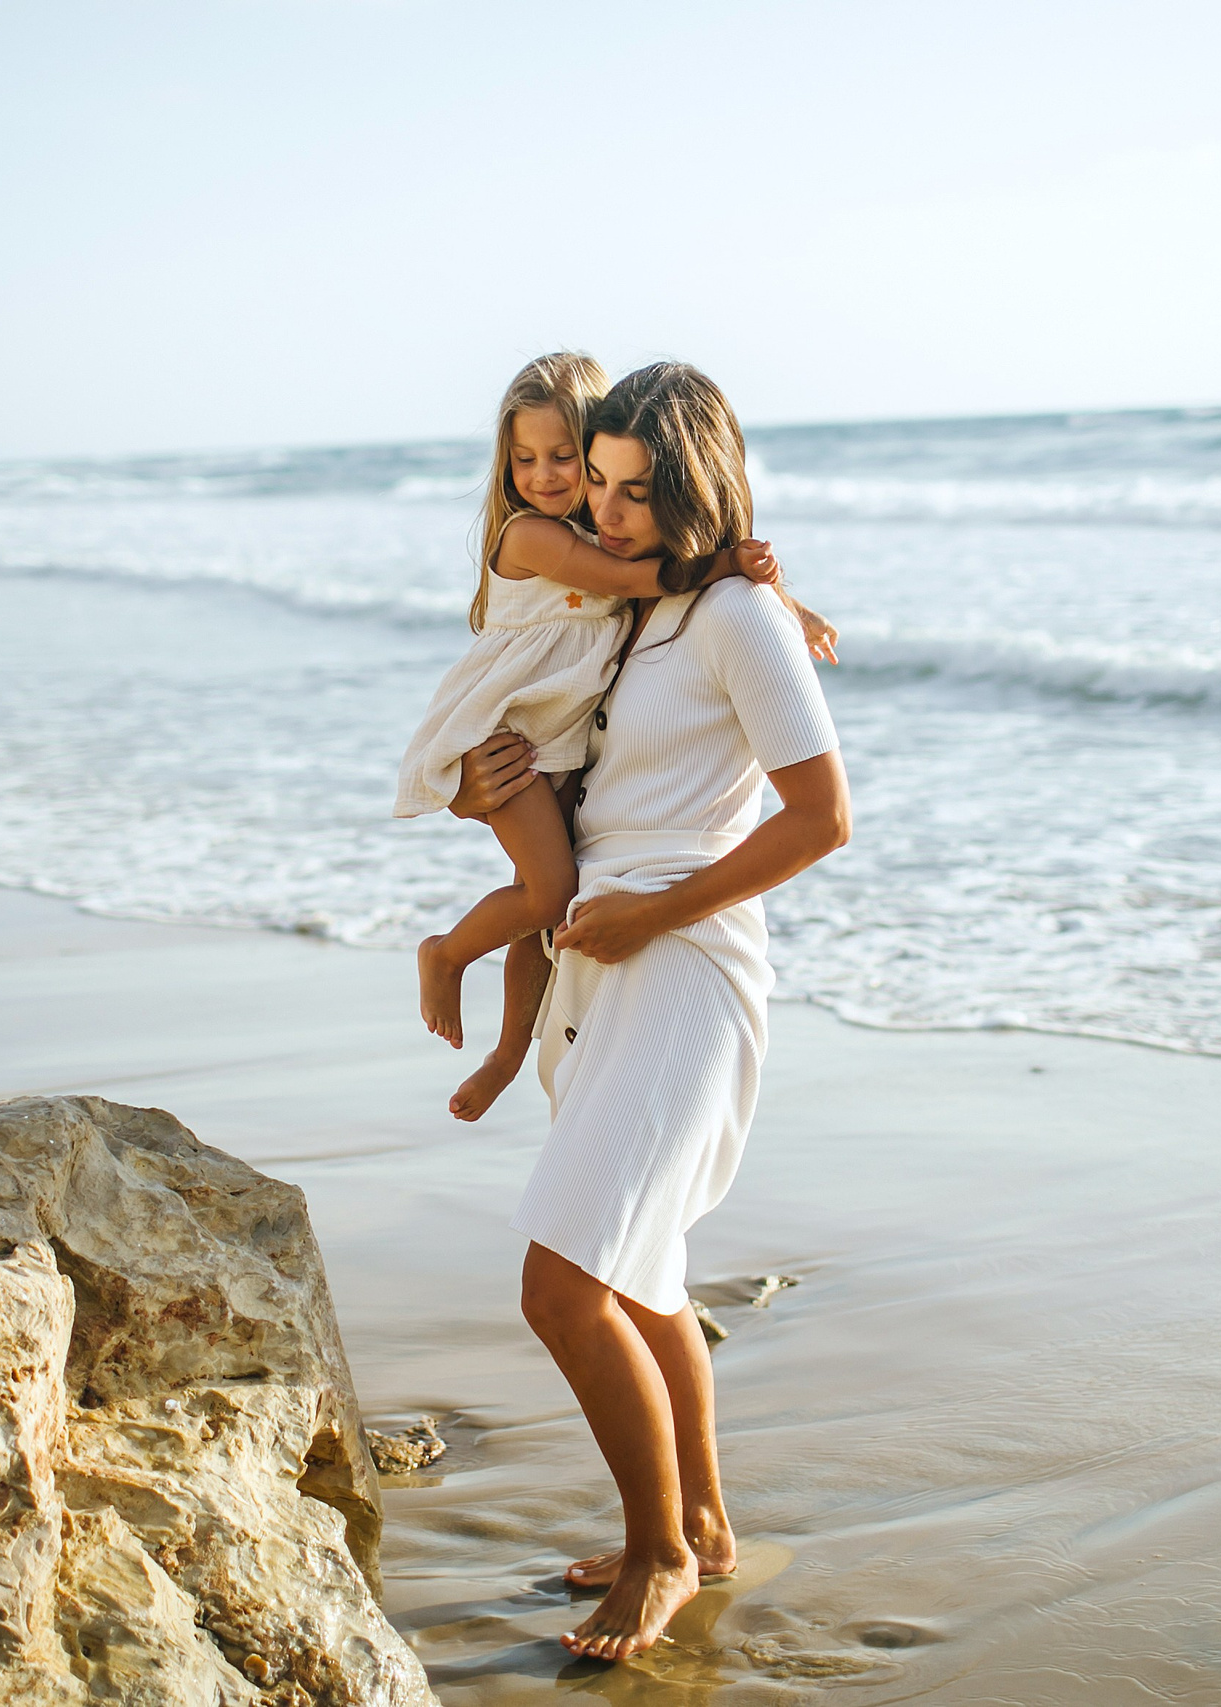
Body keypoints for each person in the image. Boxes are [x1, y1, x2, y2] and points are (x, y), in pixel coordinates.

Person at [447, 361, 851, 1661]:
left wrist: (651, 915)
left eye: (635, 490)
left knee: (564, 1283)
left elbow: (821, 818)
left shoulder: (739, 616)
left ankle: (661, 1551)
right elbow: (573, 790)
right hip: (600, 965)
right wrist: (482, 788)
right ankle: (705, 1521)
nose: (607, 514)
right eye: (599, 486)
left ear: (689, 480)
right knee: (647, 1274)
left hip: (683, 970)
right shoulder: (635, 612)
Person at [396, 353, 839, 1124]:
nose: (555, 480)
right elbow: (644, 577)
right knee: (549, 893)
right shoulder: (555, 547)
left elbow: (684, 584)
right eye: (528, 459)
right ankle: (450, 954)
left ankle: (505, 1052)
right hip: (521, 739)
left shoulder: (653, 579)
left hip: (588, 806)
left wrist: (777, 601)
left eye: (569, 459)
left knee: (549, 905)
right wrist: (732, 563)